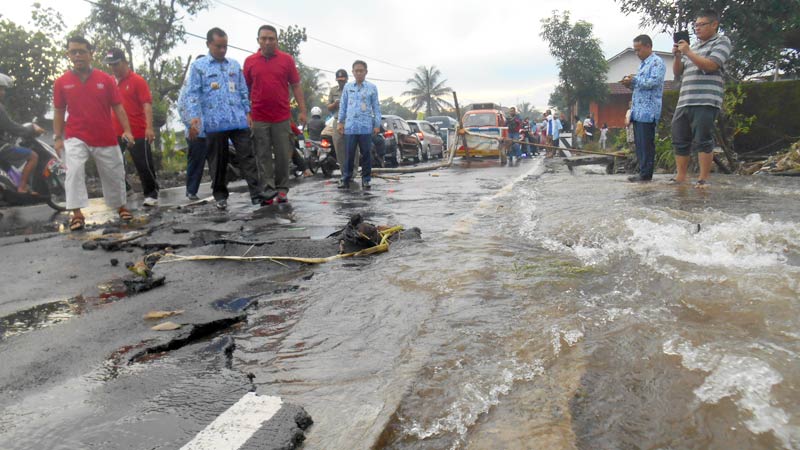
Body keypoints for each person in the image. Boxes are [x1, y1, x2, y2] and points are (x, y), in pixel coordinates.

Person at [53, 36, 134, 231]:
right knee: (73, 171)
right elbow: (58, 110)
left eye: (81, 51)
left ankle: (121, 207)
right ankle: (77, 214)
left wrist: (128, 131)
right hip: (75, 136)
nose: (78, 55)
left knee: (115, 172)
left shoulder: (105, 80)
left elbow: (118, 107)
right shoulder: (61, 82)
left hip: (105, 136)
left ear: (91, 54)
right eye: (73, 52)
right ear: (68, 54)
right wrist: (57, 137)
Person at [184, 27, 271, 210]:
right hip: (214, 123)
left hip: (237, 119)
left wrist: (248, 112)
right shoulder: (198, 67)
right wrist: (194, 118)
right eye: (218, 46)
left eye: (225, 46)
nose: (223, 50)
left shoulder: (233, 65)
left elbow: (242, 90)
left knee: (248, 157)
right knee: (219, 162)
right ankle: (220, 195)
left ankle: (257, 194)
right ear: (209, 44)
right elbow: (193, 94)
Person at [244, 24, 306, 205]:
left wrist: (302, 110)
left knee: (282, 155)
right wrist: (247, 113)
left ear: (277, 41)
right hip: (259, 117)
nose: (268, 41)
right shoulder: (250, 61)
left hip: (281, 117)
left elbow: (295, 85)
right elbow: (245, 89)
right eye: (264, 38)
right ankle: (268, 191)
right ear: (258, 41)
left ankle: (282, 190)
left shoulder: (286, 60)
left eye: (271, 38)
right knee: (262, 156)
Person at [672, 9, 732, 188]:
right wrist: (677, 56)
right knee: (679, 138)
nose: (697, 29)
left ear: (714, 25)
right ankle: (680, 177)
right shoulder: (694, 47)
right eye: (695, 25)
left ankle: (703, 178)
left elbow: (712, 65)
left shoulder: (722, 41)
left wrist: (688, 52)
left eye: (701, 25)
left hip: (706, 99)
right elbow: (677, 72)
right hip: (685, 99)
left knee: (703, 139)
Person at [103, 48, 160, 206]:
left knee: (143, 164)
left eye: (116, 63)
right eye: (110, 65)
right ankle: (127, 189)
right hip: (115, 131)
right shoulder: (109, 82)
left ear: (125, 62)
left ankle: (151, 193)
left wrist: (149, 127)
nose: (113, 67)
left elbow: (146, 105)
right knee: (112, 162)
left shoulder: (137, 81)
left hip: (137, 131)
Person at [622, 34, 666, 182]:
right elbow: (640, 85)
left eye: (639, 50)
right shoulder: (642, 64)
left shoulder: (657, 62)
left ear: (648, 46)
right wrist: (630, 83)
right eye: (635, 50)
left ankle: (646, 173)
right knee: (640, 144)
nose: (636, 53)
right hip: (638, 110)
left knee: (647, 144)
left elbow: (653, 82)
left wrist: (634, 80)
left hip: (649, 110)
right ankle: (642, 170)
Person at [337, 60, 380, 190]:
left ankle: (366, 179)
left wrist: (377, 124)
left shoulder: (372, 88)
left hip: (366, 127)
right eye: (356, 71)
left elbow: (376, 107)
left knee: (366, 154)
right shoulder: (348, 87)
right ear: (353, 72)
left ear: (366, 72)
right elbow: (342, 106)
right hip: (350, 127)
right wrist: (340, 122)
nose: (359, 73)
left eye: (361, 70)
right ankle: (346, 178)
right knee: (349, 155)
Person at [0, 73, 45, 193]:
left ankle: (12, 187)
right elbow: (11, 127)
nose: (3, 92)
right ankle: (22, 187)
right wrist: (31, 129)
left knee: (8, 168)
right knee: (33, 156)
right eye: (1, 89)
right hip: (1, 148)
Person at [177, 55, 209, 201]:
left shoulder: (210, 81)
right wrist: (190, 125)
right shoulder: (188, 85)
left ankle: (219, 191)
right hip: (195, 131)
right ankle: (191, 191)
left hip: (212, 130)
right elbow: (182, 107)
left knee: (217, 161)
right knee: (196, 162)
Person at [327, 69, 348, 167]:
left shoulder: (351, 89)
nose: (341, 82)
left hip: (350, 120)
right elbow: (328, 107)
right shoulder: (333, 90)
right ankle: (344, 172)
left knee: (353, 147)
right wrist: (335, 104)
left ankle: (353, 171)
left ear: (346, 79)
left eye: (343, 80)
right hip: (337, 120)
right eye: (339, 80)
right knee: (339, 146)